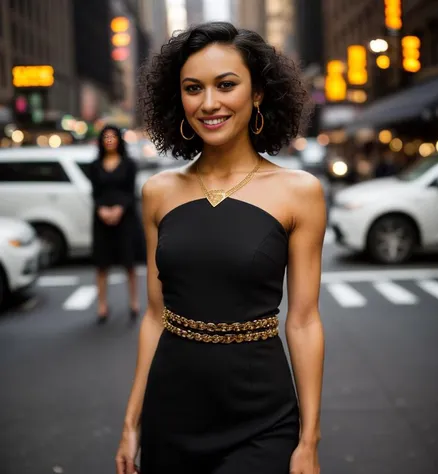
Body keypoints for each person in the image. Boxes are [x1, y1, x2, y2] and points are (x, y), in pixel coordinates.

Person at [116, 22, 326, 474]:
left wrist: (308, 440)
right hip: (171, 413)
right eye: (193, 88)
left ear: (257, 94)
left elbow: (305, 321)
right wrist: (132, 421)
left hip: (262, 418)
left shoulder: (299, 192)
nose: (208, 103)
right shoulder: (158, 191)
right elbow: (155, 317)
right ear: (179, 99)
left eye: (226, 85)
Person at [89, 125, 140, 324]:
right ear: (101, 140)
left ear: (119, 139)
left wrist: (119, 209)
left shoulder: (129, 164)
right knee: (102, 264)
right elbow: (94, 192)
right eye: (106, 136)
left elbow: (130, 191)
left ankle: (134, 303)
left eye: (113, 136)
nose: (109, 140)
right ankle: (102, 305)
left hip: (125, 217)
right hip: (101, 218)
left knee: (129, 262)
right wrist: (101, 209)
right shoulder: (95, 165)